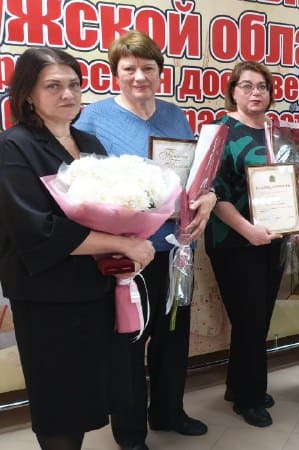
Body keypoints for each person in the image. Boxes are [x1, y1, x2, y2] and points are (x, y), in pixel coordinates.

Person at [0, 48, 155, 450]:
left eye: (73, 84)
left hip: (95, 289)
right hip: (47, 297)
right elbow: (37, 231)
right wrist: (124, 243)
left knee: (90, 394)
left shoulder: (88, 141)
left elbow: (113, 210)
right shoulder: (13, 146)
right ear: (28, 94)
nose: (67, 94)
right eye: (53, 86)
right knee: (59, 402)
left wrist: (130, 235)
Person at [74, 31, 215, 449]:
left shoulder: (174, 115)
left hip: (177, 250)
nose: (139, 76)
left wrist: (207, 198)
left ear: (159, 72)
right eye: (129, 68)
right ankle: (131, 432)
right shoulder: (94, 118)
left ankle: (169, 412)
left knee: (173, 338)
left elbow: (193, 174)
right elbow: (82, 186)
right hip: (128, 257)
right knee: (129, 345)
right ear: (115, 72)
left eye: (148, 68)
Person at [205, 61, 283, 428]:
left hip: (273, 238)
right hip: (234, 241)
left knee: (258, 318)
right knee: (250, 320)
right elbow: (212, 194)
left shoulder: (277, 132)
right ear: (233, 91)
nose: (256, 92)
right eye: (247, 85)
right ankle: (249, 399)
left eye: (262, 86)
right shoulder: (220, 131)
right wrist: (247, 230)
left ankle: (238, 385)